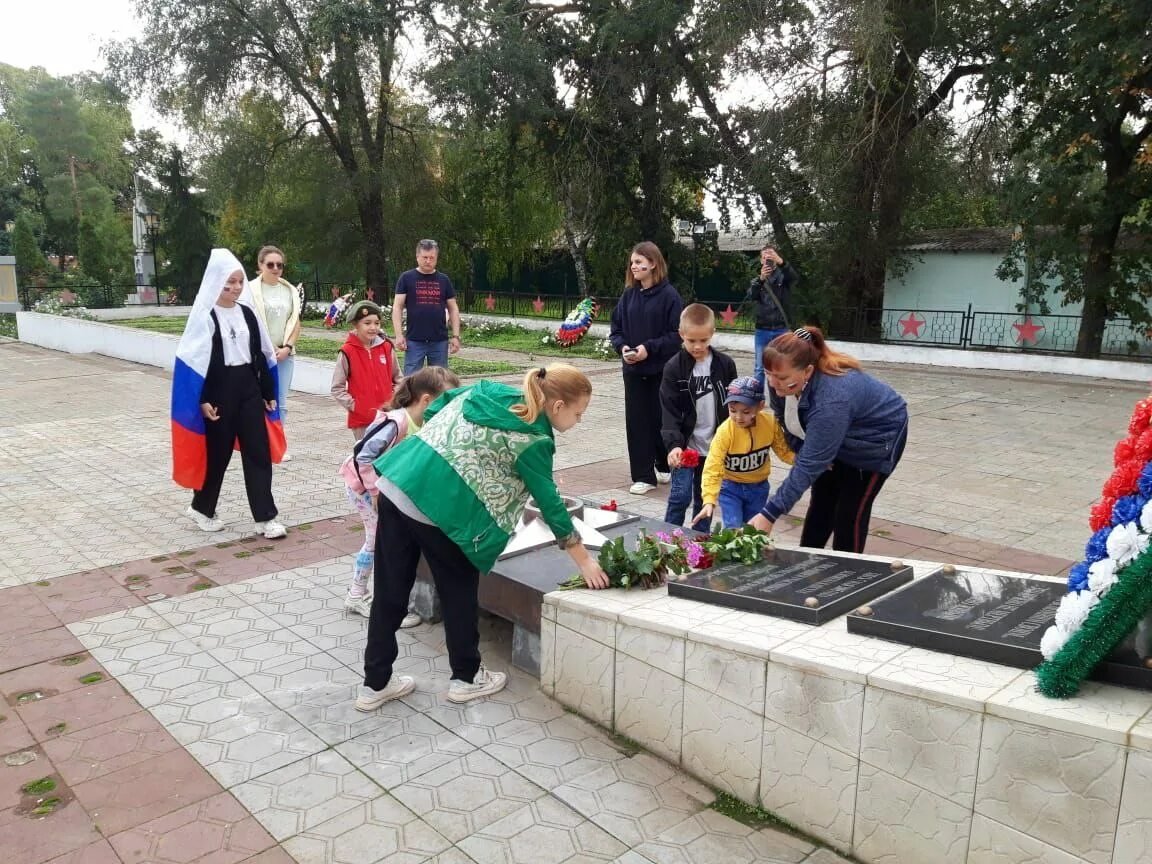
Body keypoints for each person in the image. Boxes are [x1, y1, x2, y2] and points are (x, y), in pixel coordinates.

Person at [356, 364, 610, 711]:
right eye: (579, 414)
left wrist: (452, 448)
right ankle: (466, 678)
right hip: (442, 510)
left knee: (389, 590)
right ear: (557, 407)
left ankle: (375, 684)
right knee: (458, 592)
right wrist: (584, 561)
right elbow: (551, 504)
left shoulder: (491, 390)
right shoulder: (534, 438)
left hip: (400, 484)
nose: (578, 422)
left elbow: (434, 408)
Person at [749, 326, 909, 553]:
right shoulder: (780, 378)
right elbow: (787, 424)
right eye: (769, 375)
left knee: (849, 514)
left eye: (782, 378)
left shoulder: (832, 399)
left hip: (875, 440)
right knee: (822, 503)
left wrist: (769, 514)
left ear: (807, 372)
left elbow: (809, 463)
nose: (774, 384)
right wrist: (802, 448)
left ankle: (849, 574)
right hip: (836, 430)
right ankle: (804, 567)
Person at [171, 248, 287, 540]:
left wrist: (267, 392)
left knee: (257, 452)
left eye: (238, 281)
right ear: (215, 282)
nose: (235, 287)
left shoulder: (247, 313)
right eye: (228, 282)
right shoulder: (205, 316)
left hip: (247, 387)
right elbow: (196, 360)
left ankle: (266, 517)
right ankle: (202, 508)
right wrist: (203, 399)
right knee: (218, 455)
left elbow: (260, 354)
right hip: (218, 392)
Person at [338, 365, 460, 624]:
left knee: (386, 542)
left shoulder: (424, 421)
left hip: (384, 490)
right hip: (363, 487)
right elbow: (364, 456)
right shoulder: (397, 422)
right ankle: (363, 597)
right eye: (446, 403)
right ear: (426, 399)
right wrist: (373, 492)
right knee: (378, 542)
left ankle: (384, 600)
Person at [609, 241, 683, 495]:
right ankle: (643, 476)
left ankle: (663, 465)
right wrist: (623, 349)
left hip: (661, 370)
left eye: (640, 262)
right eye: (632, 262)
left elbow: (676, 335)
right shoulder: (628, 295)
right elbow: (615, 331)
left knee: (661, 420)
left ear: (653, 263)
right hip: (633, 371)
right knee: (637, 422)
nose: (635, 266)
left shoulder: (670, 296)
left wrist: (648, 349)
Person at [660, 303, 737, 533]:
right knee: (680, 497)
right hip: (686, 447)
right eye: (691, 340)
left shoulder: (725, 365)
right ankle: (667, 539)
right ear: (682, 334)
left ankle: (699, 541)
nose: (697, 346)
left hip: (714, 446)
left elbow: (734, 406)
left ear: (712, 334)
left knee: (705, 498)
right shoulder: (674, 368)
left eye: (703, 340)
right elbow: (669, 409)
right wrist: (673, 445)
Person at [694, 377, 794, 530]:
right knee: (733, 529)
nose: (738, 417)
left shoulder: (770, 422)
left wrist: (808, 462)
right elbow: (713, 466)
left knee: (754, 531)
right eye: (732, 411)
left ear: (760, 406)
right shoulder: (725, 432)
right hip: (730, 488)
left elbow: (784, 451)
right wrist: (709, 500)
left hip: (759, 487)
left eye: (746, 412)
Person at [247, 245, 303, 461]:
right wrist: (265, 350)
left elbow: (295, 321)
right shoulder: (250, 290)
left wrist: (287, 347)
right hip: (258, 354)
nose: (275, 268)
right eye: (270, 264)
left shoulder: (289, 290)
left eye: (280, 265)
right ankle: (259, 444)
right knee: (259, 399)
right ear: (260, 265)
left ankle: (277, 445)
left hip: (284, 354)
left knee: (280, 401)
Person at [330, 301, 402, 440]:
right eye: (367, 323)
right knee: (365, 458)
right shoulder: (347, 351)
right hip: (362, 420)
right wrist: (355, 406)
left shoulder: (386, 348)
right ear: (356, 325)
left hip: (387, 416)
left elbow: (399, 379)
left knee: (387, 458)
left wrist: (394, 400)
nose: (373, 327)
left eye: (377, 323)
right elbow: (337, 388)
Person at [392, 239, 461, 376]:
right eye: (424, 257)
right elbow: (397, 307)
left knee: (440, 382)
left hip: (439, 340)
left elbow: (453, 309)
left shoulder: (444, 280)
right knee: (411, 381)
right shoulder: (406, 278)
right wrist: (399, 335)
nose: (428, 261)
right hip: (414, 340)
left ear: (436, 258)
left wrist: (456, 336)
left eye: (431, 258)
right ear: (417, 257)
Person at [746, 245, 799, 388]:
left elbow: (794, 278)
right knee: (759, 368)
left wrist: (782, 262)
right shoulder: (757, 280)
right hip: (762, 329)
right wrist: (761, 279)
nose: (767, 260)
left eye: (770, 256)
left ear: (776, 258)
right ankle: (756, 399)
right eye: (764, 257)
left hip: (781, 329)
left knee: (780, 367)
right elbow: (752, 296)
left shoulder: (784, 276)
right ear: (761, 260)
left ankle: (779, 407)